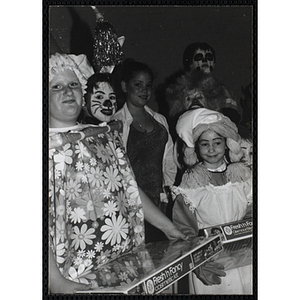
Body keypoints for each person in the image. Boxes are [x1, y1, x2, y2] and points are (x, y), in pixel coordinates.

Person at [48, 53, 186, 293]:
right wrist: (56, 282)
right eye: (56, 87)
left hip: (125, 261)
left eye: (73, 85)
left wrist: (168, 227)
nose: (67, 92)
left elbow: (129, 190)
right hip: (74, 273)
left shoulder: (102, 134)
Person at [171, 108, 252, 294]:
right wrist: (198, 259)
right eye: (204, 144)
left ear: (227, 144)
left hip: (244, 255)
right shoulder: (191, 183)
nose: (212, 149)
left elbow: (252, 211)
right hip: (210, 259)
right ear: (196, 148)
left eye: (217, 142)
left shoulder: (243, 177)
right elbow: (184, 229)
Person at [114, 60, 177, 243]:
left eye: (148, 85)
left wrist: (168, 195)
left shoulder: (160, 120)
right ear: (125, 86)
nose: (144, 90)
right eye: (138, 85)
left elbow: (169, 162)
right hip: (131, 206)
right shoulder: (117, 123)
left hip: (160, 204)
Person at [182, 42, 241, 125]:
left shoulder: (224, 91)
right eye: (199, 57)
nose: (205, 60)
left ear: (214, 63)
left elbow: (233, 117)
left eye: (209, 57)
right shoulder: (184, 90)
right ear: (191, 64)